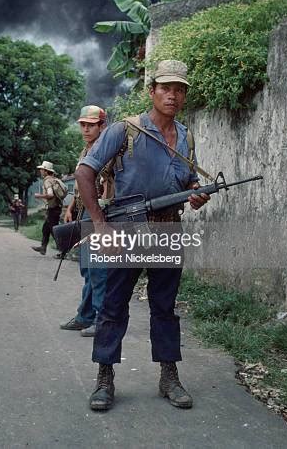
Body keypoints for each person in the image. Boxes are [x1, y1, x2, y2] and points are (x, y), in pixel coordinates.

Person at [75, 60, 210, 411]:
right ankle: (104, 378)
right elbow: (84, 172)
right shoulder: (125, 130)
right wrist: (100, 223)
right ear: (152, 91)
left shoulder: (186, 136)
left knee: (165, 307)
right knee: (113, 306)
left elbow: (187, 181)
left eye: (179, 89)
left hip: (168, 230)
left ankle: (169, 376)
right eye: (166, 88)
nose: (173, 95)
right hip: (127, 230)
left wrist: (196, 193)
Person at [60, 105, 111, 338]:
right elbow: (80, 185)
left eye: (91, 125)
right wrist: (70, 208)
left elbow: (112, 186)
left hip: (100, 213)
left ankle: (102, 319)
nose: (86, 129)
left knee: (99, 269)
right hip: (83, 212)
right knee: (87, 269)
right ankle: (85, 316)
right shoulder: (85, 151)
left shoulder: (109, 151)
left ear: (103, 126)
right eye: (83, 124)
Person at [31, 161, 64, 256]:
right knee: (46, 228)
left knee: (54, 230)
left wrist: (39, 196)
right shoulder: (53, 179)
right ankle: (43, 247)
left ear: (46, 171)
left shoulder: (47, 181)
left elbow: (50, 194)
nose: (40, 171)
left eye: (42, 169)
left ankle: (63, 249)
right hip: (55, 208)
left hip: (53, 209)